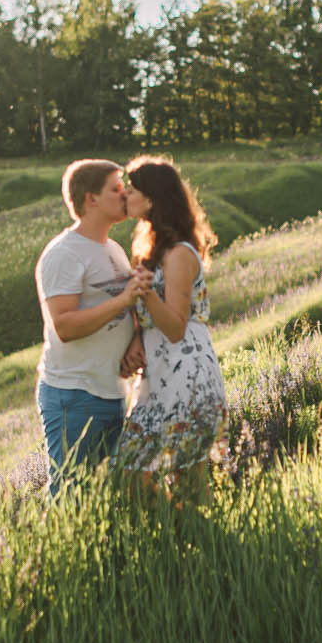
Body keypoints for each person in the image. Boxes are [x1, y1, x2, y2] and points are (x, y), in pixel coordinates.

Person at [35, 159, 150, 496]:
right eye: (116, 188)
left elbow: (125, 309)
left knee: (109, 496)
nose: (124, 194)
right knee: (70, 496)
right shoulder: (64, 254)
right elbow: (65, 326)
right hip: (74, 394)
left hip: (111, 391)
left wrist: (134, 342)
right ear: (91, 199)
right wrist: (124, 301)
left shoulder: (112, 248)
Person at [114, 156, 225, 503]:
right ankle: (178, 534)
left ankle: (198, 539)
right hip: (156, 377)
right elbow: (149, 318)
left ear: (152, 198)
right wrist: (135, 339)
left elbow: (176, 326)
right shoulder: (149, 249)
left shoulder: (178, 253)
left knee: (188, 480)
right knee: (131, 473)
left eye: (131, 190)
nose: (124, 195)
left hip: (187, 374)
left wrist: (144, 292)